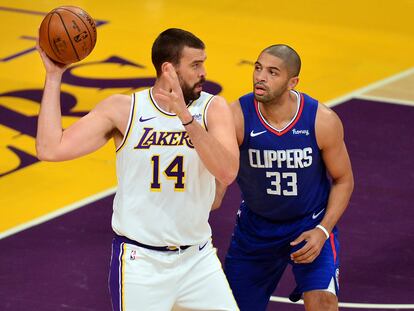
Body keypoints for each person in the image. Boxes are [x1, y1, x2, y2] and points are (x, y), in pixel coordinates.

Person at [36, 28, 239, 311]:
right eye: (195, 65)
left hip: (197, 258)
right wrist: (54, 76)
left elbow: (228, 172)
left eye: (203, 63)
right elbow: (50, 149)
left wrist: (185, 117)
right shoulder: (124, 109)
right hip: (141, 263)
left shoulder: (212, 109)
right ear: (168, 69)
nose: (204, 72)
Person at [218, 44, 354, 311]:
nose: (260, 77)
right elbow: (220, 174)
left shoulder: (322, 120)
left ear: (293, 82)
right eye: (258, 68)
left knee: (324, 304)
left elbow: (343, 180)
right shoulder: (235, 116)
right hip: (256, 229)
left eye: (272, 72)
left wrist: (323, 230)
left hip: (309, 225)